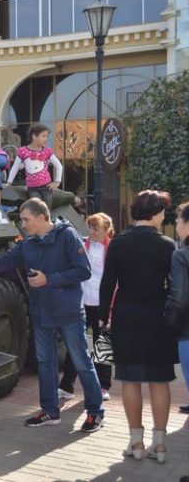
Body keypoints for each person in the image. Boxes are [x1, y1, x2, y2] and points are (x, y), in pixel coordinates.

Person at [0, 198, 105, 432]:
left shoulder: (67, 236)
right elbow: (2, 262)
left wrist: (49, 280)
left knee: (82, 362)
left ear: (42, 217)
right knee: (45, 363)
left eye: (25, 219)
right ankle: (50, 411)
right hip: (42, 312)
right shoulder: (27, 243)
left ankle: (95, 412)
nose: (22, 224)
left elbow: (83, 271)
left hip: (68, 312)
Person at [100, 190, 176, 463]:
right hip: (158, 317)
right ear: (155, 213)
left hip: (126, 316)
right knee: (160, 380)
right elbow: (175, 286)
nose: (164, 216)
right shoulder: (168, 245)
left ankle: (136, 442)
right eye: (163, 211)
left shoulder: (119, 243)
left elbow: (108, 283)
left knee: (130, 380)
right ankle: (160, 445)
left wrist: (103, 317)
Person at [58, 213, 115, 402]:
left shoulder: (112, 248)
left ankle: (103, 386)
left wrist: (111, 307)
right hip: (81, 302)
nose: (91, 231)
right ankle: (66, 386)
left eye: (95, 228)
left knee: (102, 344)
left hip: (102, 304)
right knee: (75, 343)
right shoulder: (82, 244)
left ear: (106, 229)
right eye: (89, 227)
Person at [165, 202, 189, 417]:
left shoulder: (181, 255)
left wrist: (168, 323)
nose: (176, 224)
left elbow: (179, 298)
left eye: (179, 220)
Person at [6, 123, 63, 209]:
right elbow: (15, 167)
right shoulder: (23, 151)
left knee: (46, 210)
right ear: (34, 137)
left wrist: (57, 182)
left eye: (47, 136)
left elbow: (59, 166)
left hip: (46, 187)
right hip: (32, 188)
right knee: (36, 208)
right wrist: (9, 182)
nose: (46, 139)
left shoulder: (47, 151)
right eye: (43, 136)